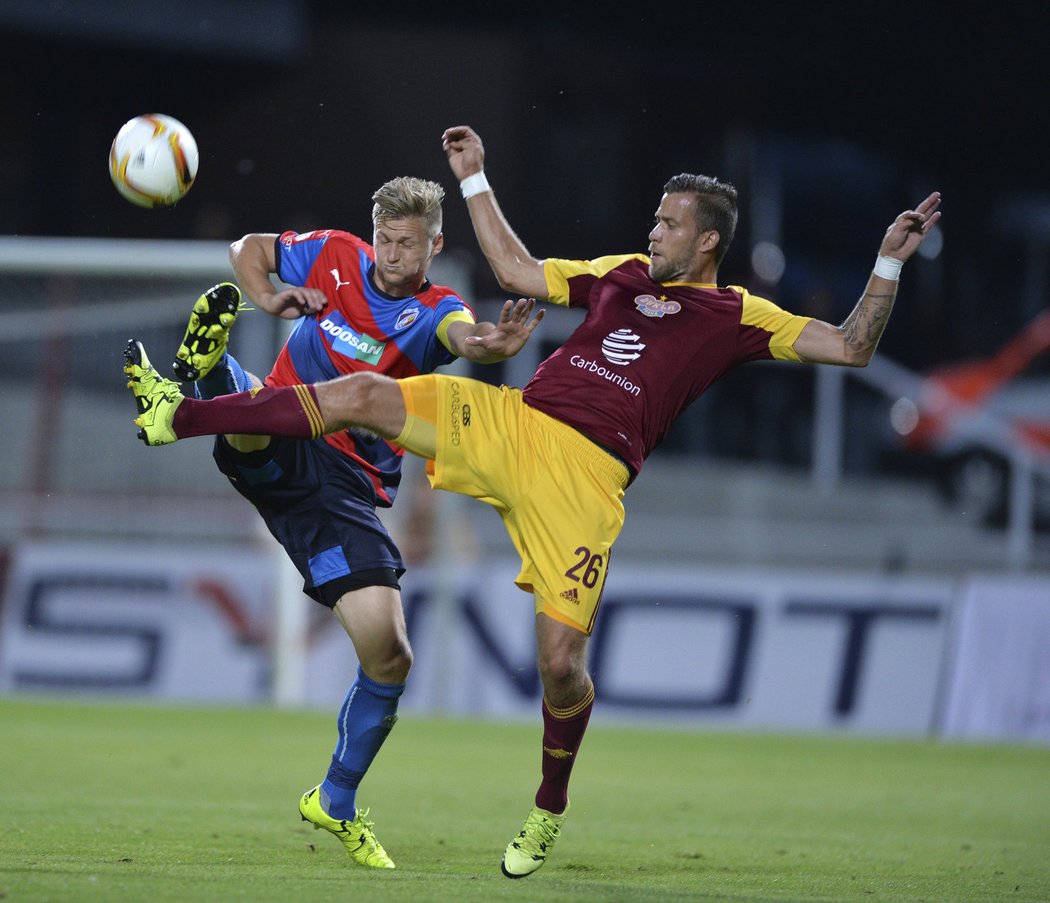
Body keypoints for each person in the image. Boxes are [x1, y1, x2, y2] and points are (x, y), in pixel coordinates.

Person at [123, 126, 941, 878]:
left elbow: (851, 346)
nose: (651, 231)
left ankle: (549, 806)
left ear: (707, 240)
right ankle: (182, 411)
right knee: (365, 392)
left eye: (667, 223)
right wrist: (475, 179)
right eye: (654, 220)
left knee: (560, 664)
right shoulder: (618, 275)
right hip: (516, 423)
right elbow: (518, 273)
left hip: (585, 484)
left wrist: (889, 263)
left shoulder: (739, 316)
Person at [152, 175, 541, 870]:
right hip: (283, 432)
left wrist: (494, 342)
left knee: (389, 651)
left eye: (408, 245)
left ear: (435, 245)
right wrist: (269, 294)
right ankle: (216, 386)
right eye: (385, 240)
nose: (393, 256)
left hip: (345, 492)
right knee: (267, 430)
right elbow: (248, 247)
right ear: (373, 234)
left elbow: (469, 336)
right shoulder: (334, 254)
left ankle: (333, 798)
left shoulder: (432, 310)